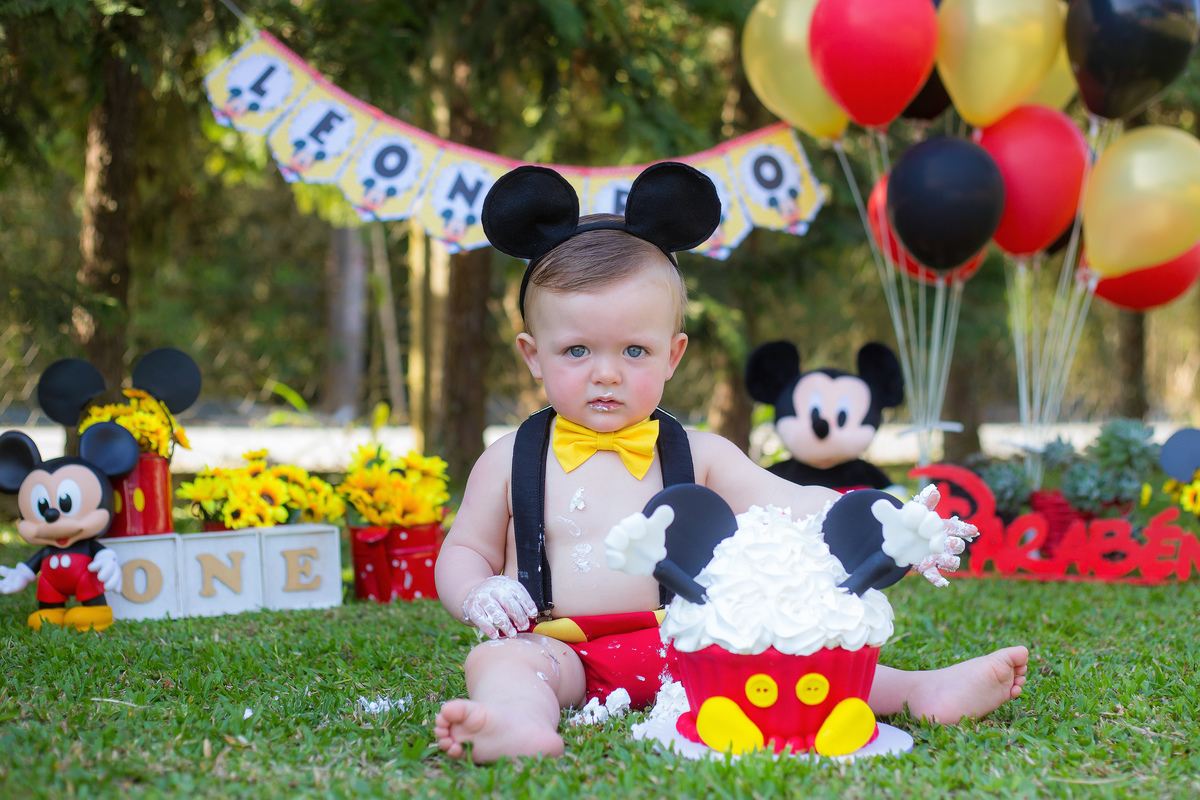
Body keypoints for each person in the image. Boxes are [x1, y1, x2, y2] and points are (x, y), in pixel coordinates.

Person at [434, 163, 1028, 763]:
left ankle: (920, 690)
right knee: (500, 661)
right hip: (557, 647)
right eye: (577, 350)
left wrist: (894, 523)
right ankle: (517, 722)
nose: (606, 373)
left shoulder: (699, 454)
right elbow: (465, 550)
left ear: (673, 355)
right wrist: (479, 590)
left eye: (634, 350)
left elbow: (796, 504)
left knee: (785, 650)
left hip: (690, 640)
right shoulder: (509, 459)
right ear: (533, 355)